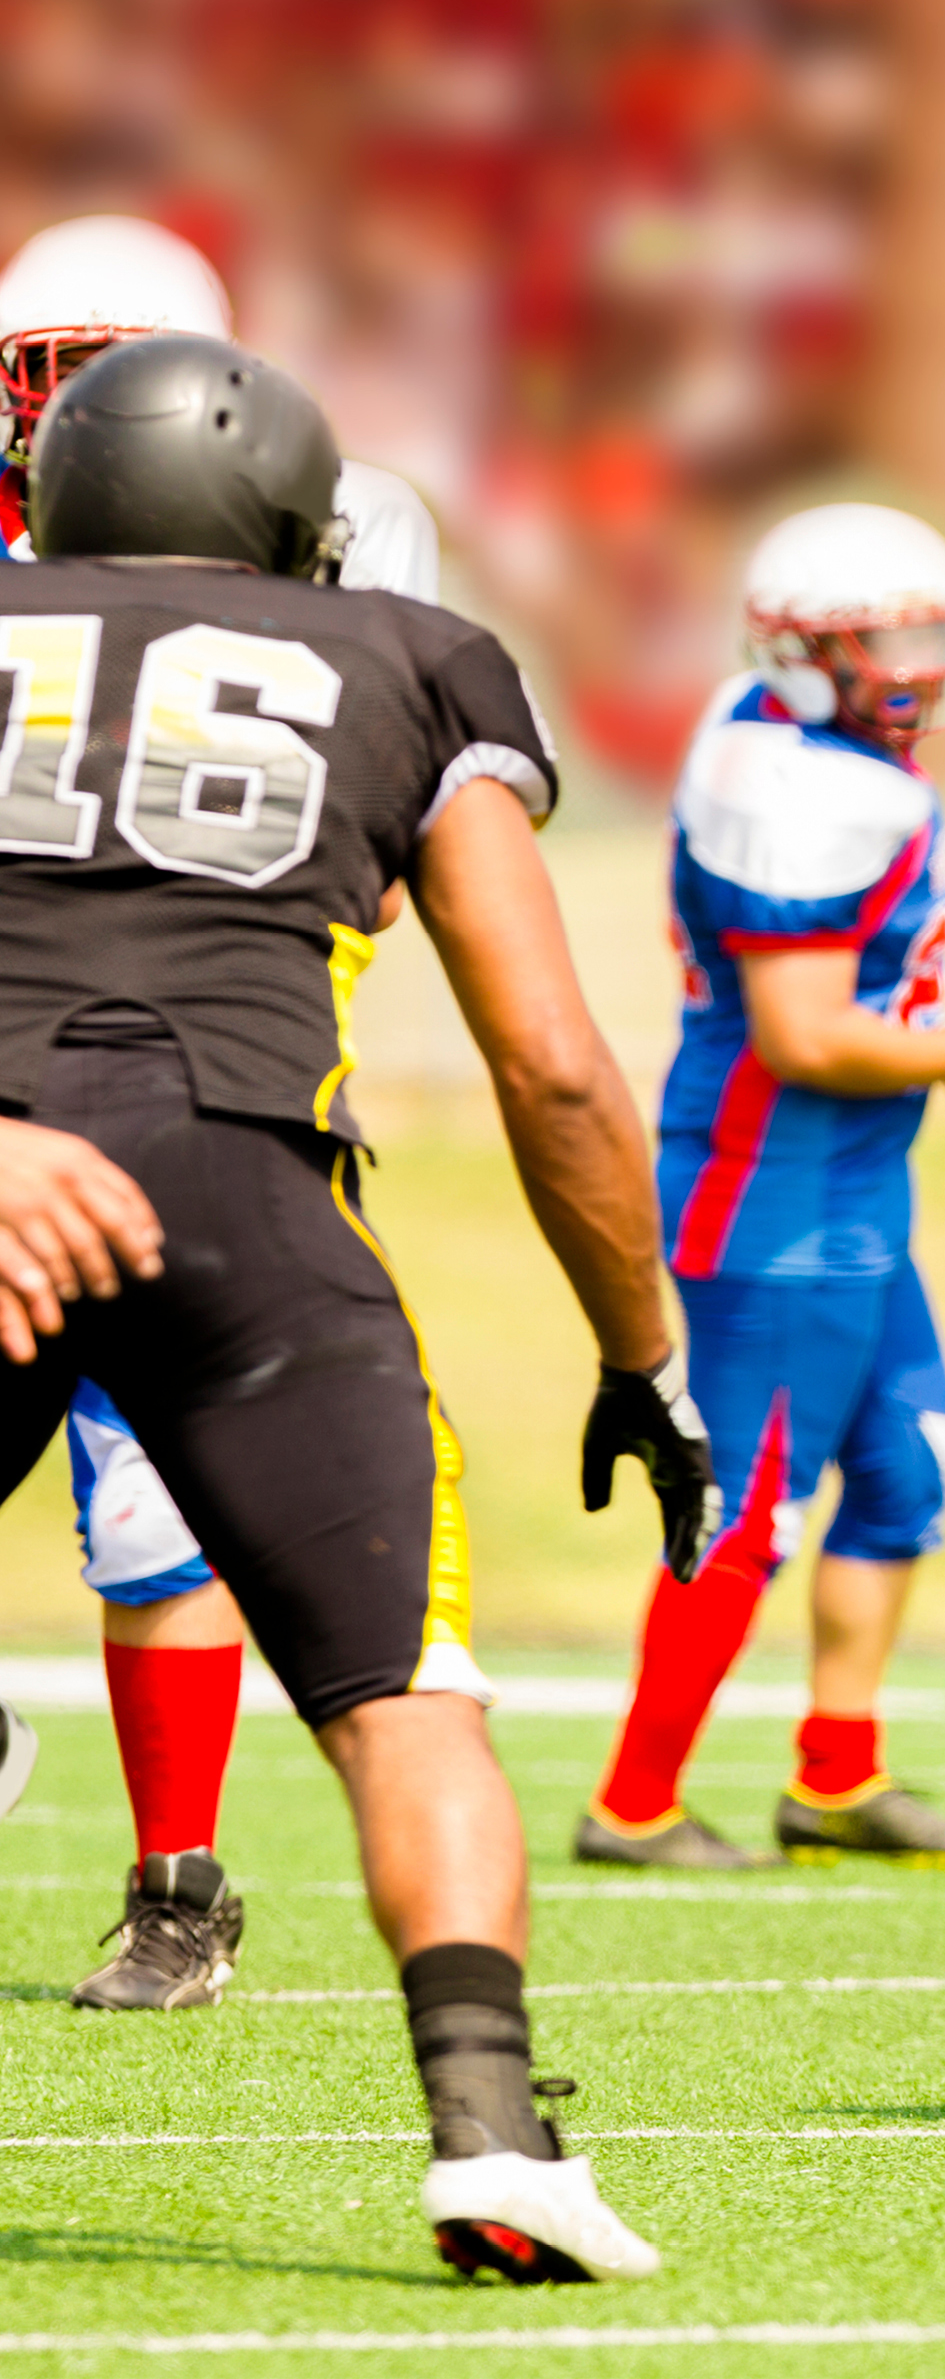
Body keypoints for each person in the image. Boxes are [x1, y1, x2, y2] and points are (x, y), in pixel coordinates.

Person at [3, 331, 713, 2279]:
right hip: (246, 1181)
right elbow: (556, 1062)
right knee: (406, 1696)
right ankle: (491, 2134)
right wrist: (641, 1351)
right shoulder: (410, 652)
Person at [0, 211, 457, 2010]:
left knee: (155, 1500)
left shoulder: (342, 536)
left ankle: (176, 1877)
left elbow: (400, 851)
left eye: (101, 369)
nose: (65, 408)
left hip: (227, 1078)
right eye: (42, 366)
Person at [579, 505, 945, 1872]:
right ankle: (634, 1801)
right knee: (750, 1504)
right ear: (810, 650)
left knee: (904, 1474)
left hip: (845, 1189)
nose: (927, 663)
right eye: (893, 638)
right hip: (772, 1193)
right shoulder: (811, 788)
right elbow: (806, 1031)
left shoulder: (783, 735)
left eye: (936, 630)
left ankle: (835, 1771)